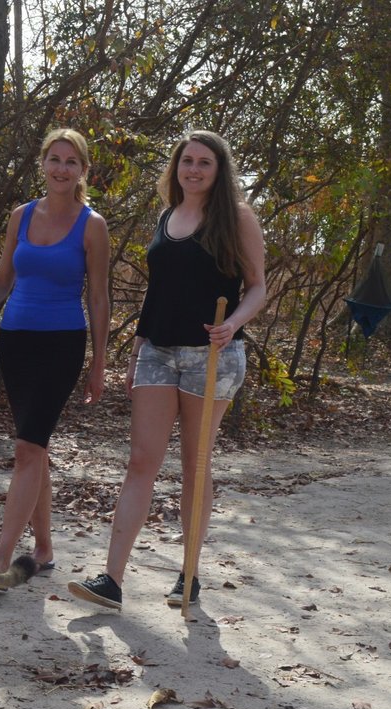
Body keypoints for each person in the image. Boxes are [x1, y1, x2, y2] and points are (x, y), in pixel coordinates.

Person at [68, 129, 266, 612]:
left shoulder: (236, 218)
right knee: (141, 461)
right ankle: (111, 580)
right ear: (175, 168)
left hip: (212, 354)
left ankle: (190, 574)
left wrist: (234, 324)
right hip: (158, 350)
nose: (193, 169)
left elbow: (259, 287)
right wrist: (136, 349)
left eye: (204, 163)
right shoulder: (167, 216)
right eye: (186, 161)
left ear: (219, 171)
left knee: (195, 465)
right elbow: (158, 295)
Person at [0, 128, 110, 578]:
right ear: (43, 163)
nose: (61, 168)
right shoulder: (21, 215)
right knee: (35, 449)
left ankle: (0, 555)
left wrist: (98, 363)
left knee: (27, 448)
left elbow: (98, 298)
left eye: (71, 162)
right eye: (54, 159)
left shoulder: (92, 225)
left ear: (83, 171)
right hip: (16, 342)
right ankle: (46, 549)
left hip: (61, 345)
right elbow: (0, 282)